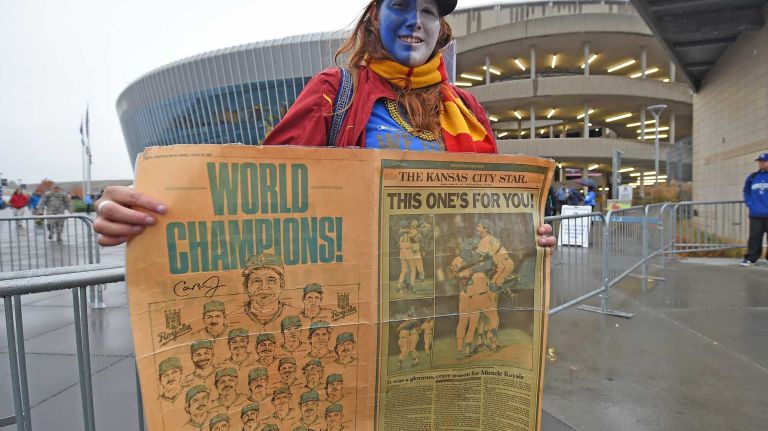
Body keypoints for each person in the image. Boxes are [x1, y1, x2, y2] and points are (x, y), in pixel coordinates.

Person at [91, 0, 556, 251]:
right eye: (401, 5)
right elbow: (263, 188)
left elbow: (498, 205)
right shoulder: (335, 91)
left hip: (449, 303)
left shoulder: (468, 109)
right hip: (352, 304)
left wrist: (528, 234)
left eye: (430, 11)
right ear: (375, 15)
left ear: (441, 28)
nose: (416, 22)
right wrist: (148, 210)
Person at [741, 153, 768, 266]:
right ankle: (751, 258)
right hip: (756, 213)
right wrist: (749, 203)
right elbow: (746, 191)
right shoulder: (752, 177)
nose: (760, 163)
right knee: (754, 237)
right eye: (759, 161)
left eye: (763, 161)